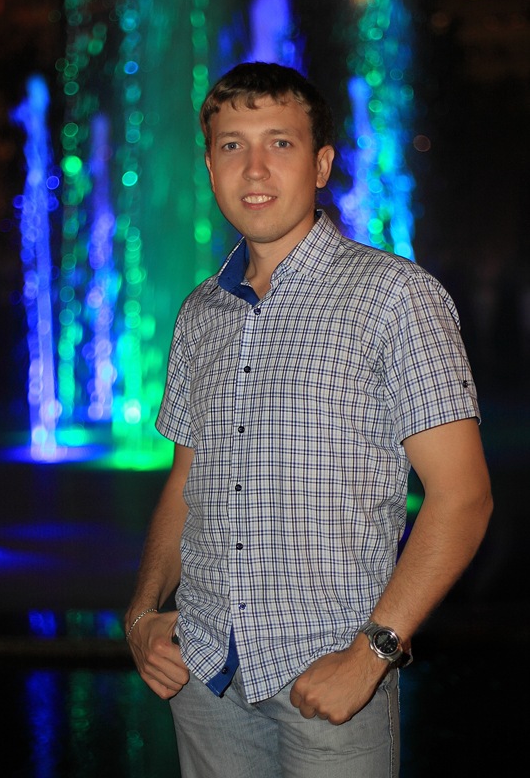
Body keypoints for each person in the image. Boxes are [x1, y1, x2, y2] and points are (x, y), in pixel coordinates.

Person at [125, 61, 493, 778]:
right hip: (204, 671)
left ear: (321, 164)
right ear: (209, 166)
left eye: (280, 143)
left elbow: (463, 497)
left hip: (328, 675)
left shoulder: (395, 296)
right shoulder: (201, 312)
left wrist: (373, 652)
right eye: (232, 145)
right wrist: (141, 615)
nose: (254, 168)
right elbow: (186, 484)